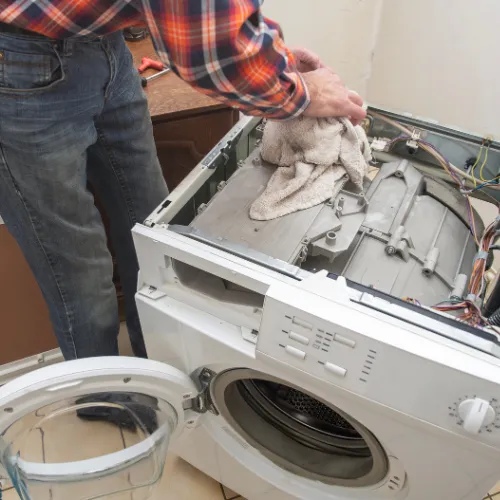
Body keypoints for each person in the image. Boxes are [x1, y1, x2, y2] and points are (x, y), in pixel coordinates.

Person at [0, 1, 366, 362]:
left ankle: (158, 368)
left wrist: (274, 61)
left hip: (107, 45)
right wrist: (302, 91)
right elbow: (208, 46)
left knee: (153, 232)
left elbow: (224, 14)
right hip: (20, 63)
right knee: (79, 272)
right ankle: (105, 392)